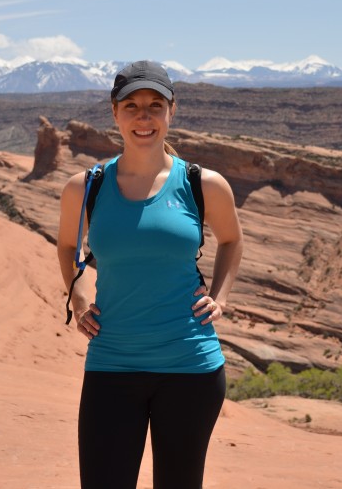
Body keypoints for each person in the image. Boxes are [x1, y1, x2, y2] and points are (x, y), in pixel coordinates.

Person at [57, 59, 244, 489]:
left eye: (154, 105)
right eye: (132, 106)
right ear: (114, 113)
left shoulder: (203, 183)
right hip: (112, 362)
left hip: (191, 367)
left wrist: (221, 295)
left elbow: (232, 240)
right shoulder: (86, 186)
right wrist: (80, 297)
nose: (144, 117)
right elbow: (70, 247)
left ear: (171, 111)